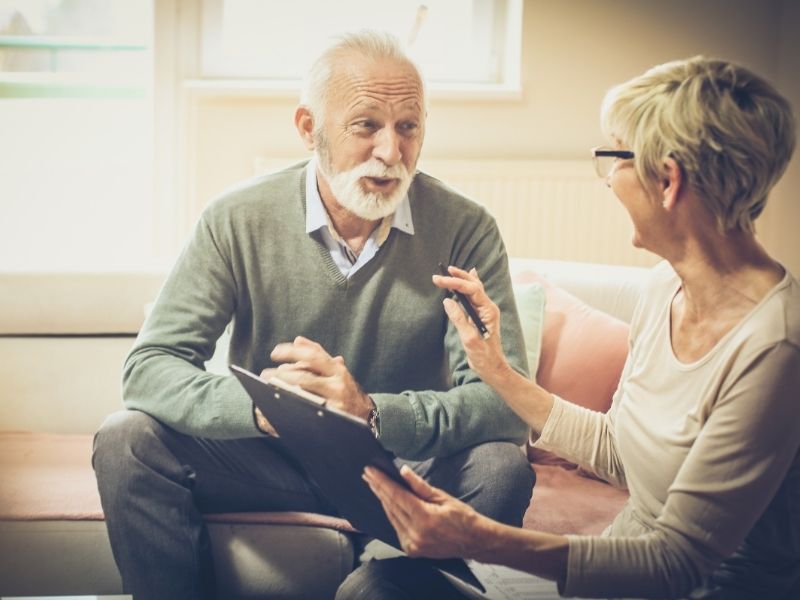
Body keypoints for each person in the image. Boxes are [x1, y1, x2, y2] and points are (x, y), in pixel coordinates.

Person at [91, 30, 536, 599]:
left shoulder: (464, 227)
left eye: (408, 127)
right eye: (366, 125)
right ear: (309, 128)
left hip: (402, 470)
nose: (391, 152)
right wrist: (266, 409)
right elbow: (149, 368)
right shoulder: (235, 218)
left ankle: (386, 586)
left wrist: (372, 413)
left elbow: (505, 403)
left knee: (501, 466)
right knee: (126, 437)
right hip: (270, 463)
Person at [344, 56, 800, 599]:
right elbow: (620, 452)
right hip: (608, 578)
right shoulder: (664, 288)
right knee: (375, 584)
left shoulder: (776, 347)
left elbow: (676, 564)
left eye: (615, 157)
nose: (608, 180)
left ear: (668, 180)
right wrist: (499, 372)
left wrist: (481, 538)